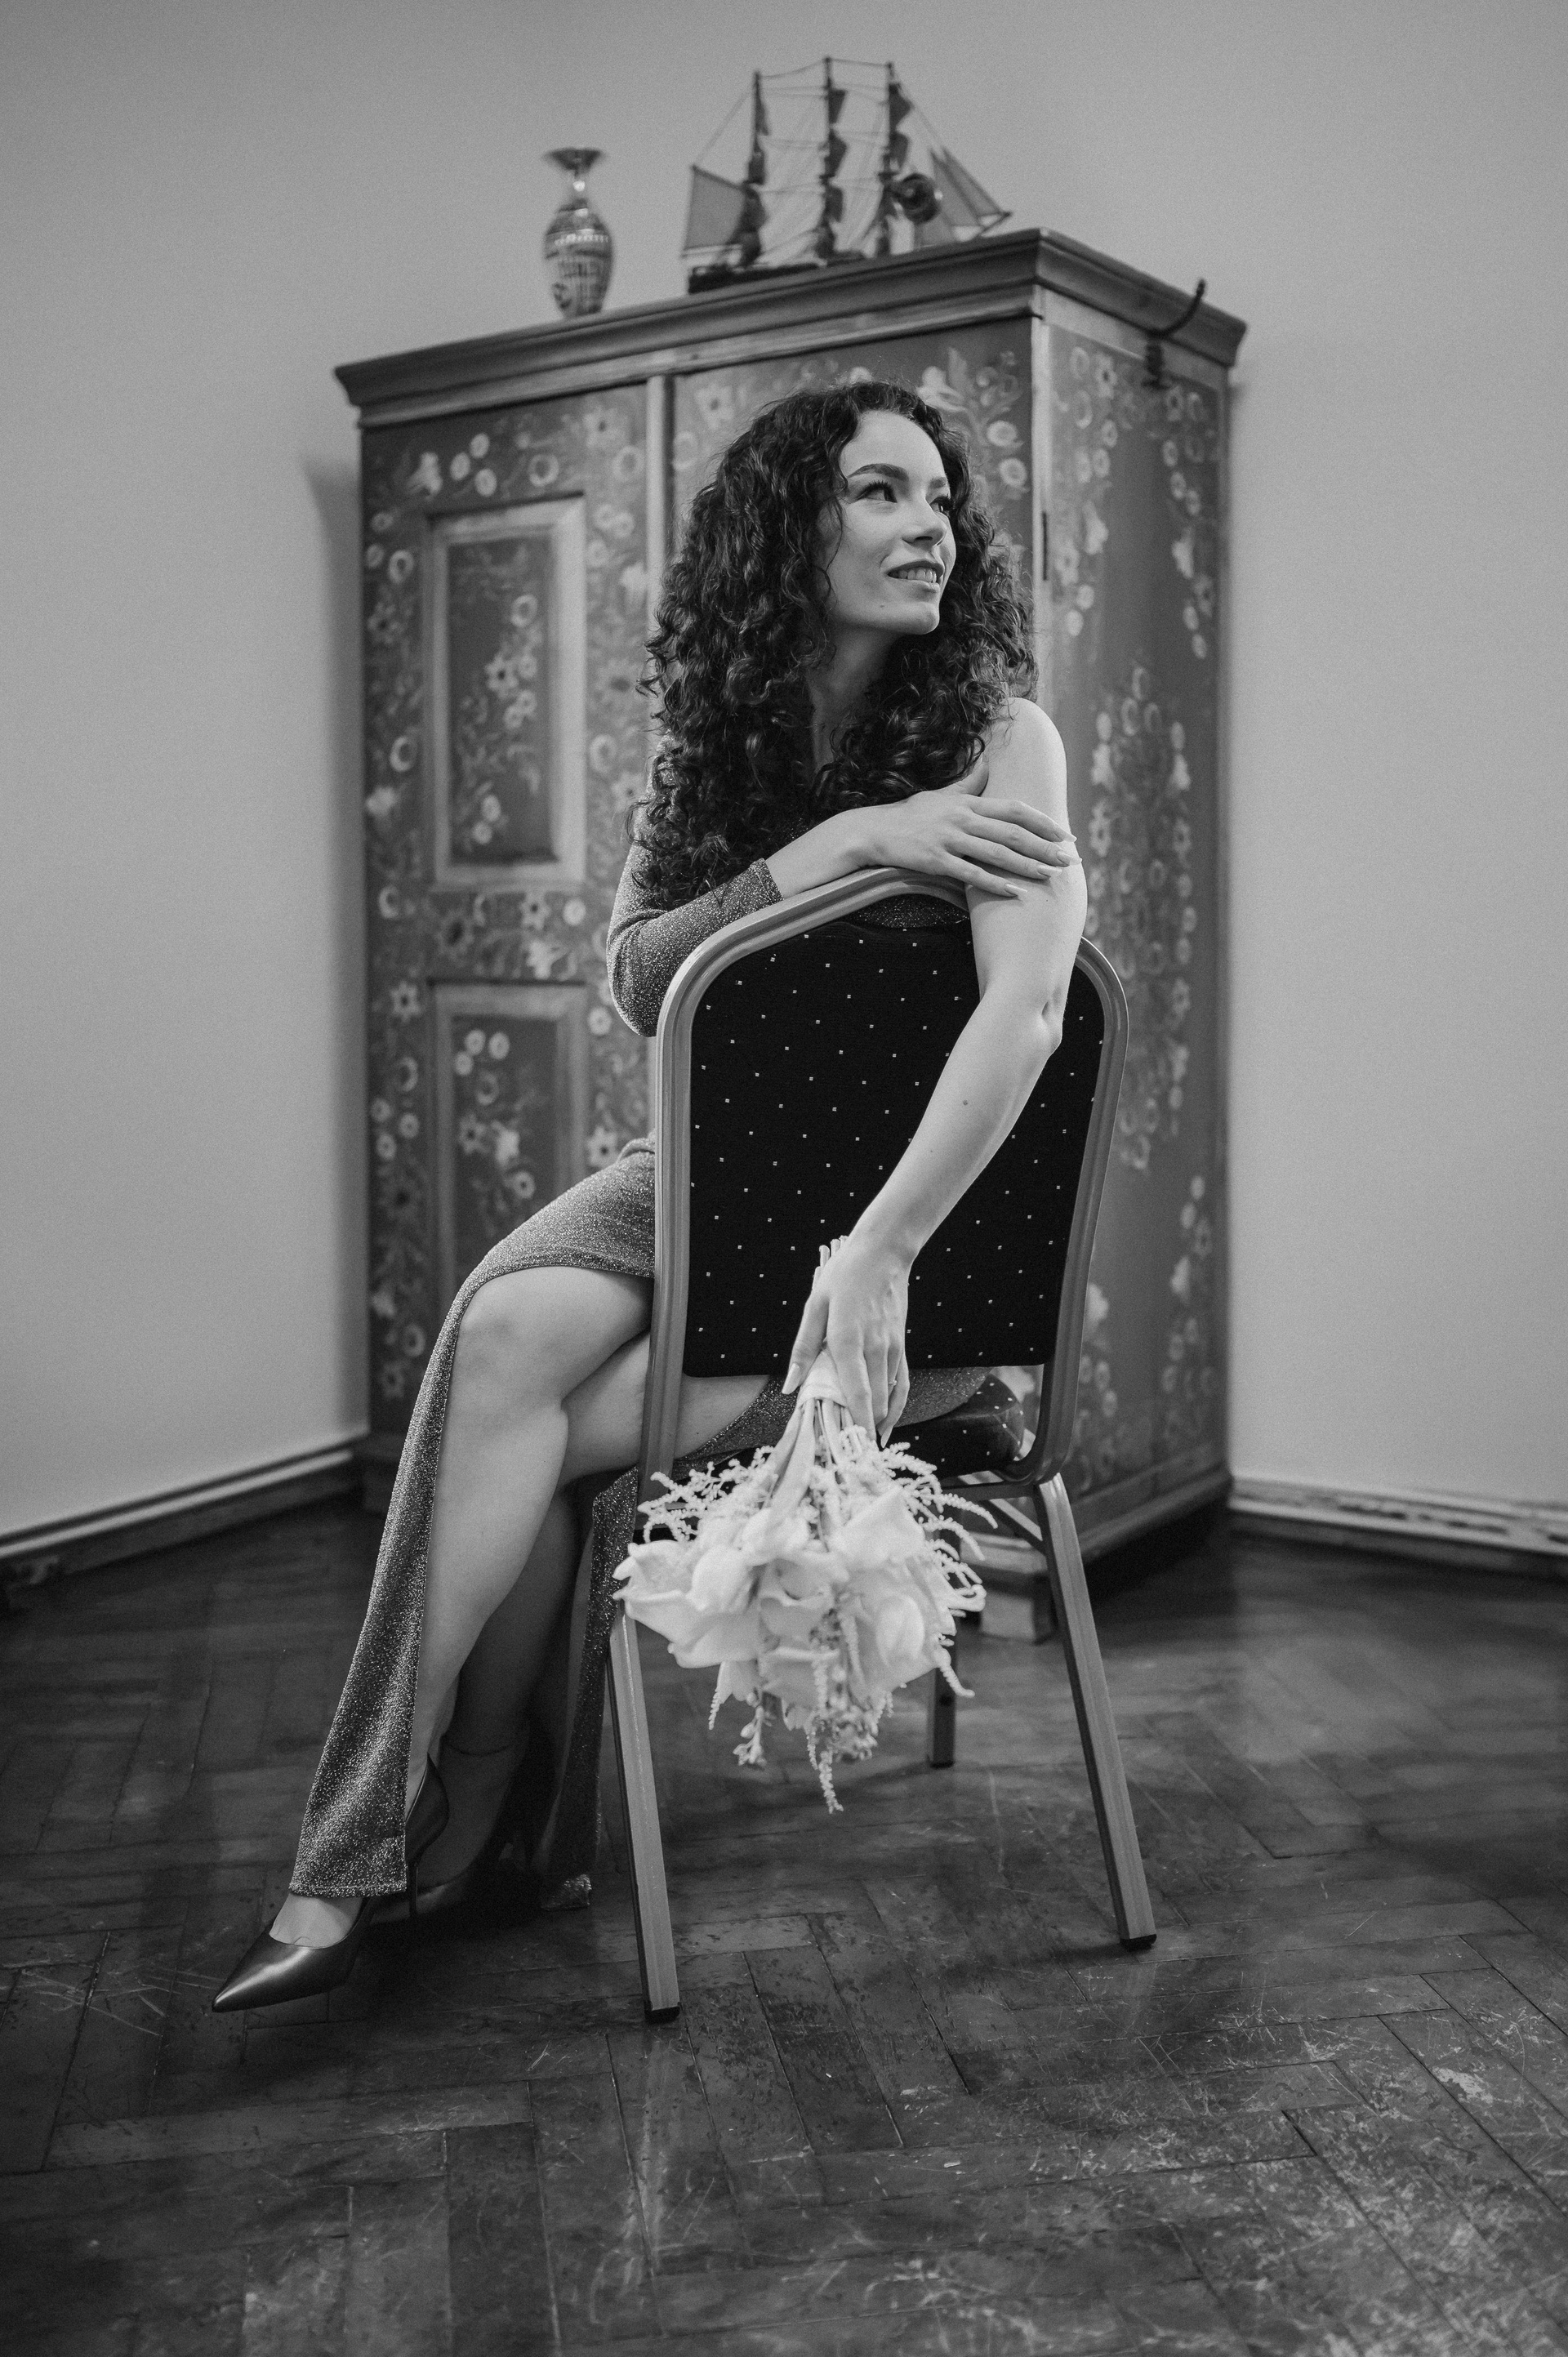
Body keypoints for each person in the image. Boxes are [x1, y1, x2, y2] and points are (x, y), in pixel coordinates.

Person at [213, 377, 1085, 2012]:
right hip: (700, 1184)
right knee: (503, 1339)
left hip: (909, 1238)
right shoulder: (712, 757)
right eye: (883, 493)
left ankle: (426, 1820)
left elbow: (1031, 1014)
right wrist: (847, 844)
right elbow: (635, 977)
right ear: (787, 533)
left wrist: (881, 1246)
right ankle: (409, 1818)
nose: (932, 530)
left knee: (523, 1426)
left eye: (939, 499)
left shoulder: (1005, 742)